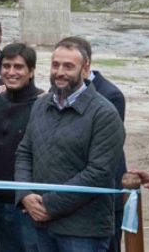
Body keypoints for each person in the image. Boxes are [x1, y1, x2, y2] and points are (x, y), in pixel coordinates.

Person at [15, 38, 125, 252]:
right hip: (41, 224)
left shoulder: (104, 114)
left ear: (85, 70)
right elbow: (24, 153)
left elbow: (99, 173)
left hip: (83, 232)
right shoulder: (40, 105)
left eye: (68, 66)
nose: (59, 72)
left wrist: (50, 205)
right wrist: (25, 194)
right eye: (55, 65)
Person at [59, 36, 127, 252]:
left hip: (105, 189)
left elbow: (103, 146)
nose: (62, 71)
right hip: (70, 190)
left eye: (69, 65)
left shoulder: (110, 95)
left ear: (85, 65)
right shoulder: (60, 92)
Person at [0, 43, 42, 252]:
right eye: (6, 66)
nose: (11, 72)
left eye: (18, 67)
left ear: (31, 72)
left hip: (28, 206)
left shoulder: (43, 104)